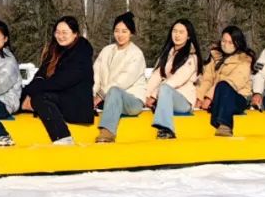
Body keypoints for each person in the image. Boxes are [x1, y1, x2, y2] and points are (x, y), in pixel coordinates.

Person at [20, 16, 94, 144]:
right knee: (22, 96)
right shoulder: (55, 50)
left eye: (65, 32)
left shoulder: (81, 51)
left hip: (76, 102)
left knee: (40, 97)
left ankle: (63, 138)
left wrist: (33, 93)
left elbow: (62, 81)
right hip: (59, 96)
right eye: (57, 32)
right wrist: (28, 92)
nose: (60, 36)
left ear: (75, 34)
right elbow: (40, 75)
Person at [93, 12, 148, 143]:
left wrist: (100, 95)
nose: (120, 35)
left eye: (124, 31)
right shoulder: (107, 50)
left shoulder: (136, 54)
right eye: (117, 31)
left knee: (115, 90)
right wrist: (92, 95)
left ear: (131, 33)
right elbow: (96, 74)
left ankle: (108, 131)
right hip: (107, 98)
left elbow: (122, 81)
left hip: (132, 101)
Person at [144, 19, 203, 139]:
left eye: (181, 32)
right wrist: (146, 94)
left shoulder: (192, 57)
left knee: (165, 87)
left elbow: (177, 79)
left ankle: (167, 129)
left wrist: (155, 95)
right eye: (174, 31)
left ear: (188, 36)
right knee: (162, 88)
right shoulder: (167, 53)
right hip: (166, 96)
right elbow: (157, 75)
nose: (177, 35)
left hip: (184, 101)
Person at [196, 25, 255, 137]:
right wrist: (199, 97)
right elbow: (207, 79)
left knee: (223, 85)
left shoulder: (244, 60)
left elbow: (233, 82)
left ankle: (225, 125)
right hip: (217, 97)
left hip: (238, 97)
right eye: (224, 41)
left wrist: (209, 97)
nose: (225, 45)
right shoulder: (215, 57)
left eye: (230, 42)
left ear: (237, 43)